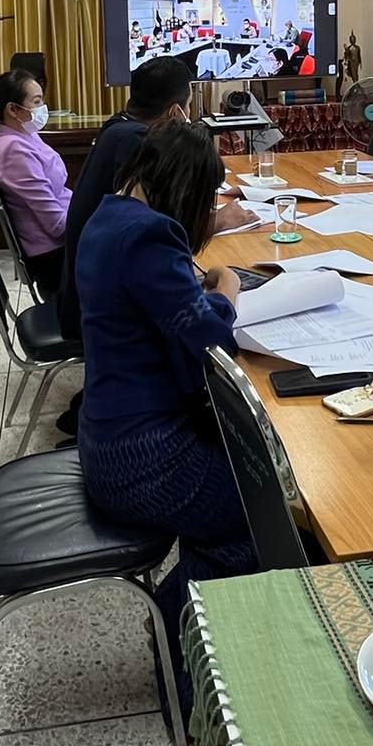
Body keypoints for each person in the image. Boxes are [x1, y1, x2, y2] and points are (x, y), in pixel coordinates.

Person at [74, 120, 256, 708]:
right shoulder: (150, 236)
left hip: (112, 434)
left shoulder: (111, 215)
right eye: (204, 202)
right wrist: (226, 291)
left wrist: (198, 291)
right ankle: (185, 650)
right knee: (262, 514)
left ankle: (183, 615)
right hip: (143, 459)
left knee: (245, 491)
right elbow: (209, 341)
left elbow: (161, 312)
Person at [59, 57, 254, 343]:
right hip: (111, 330)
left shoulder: (118, 129)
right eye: (189, 106)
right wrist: (227, 283)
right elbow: (208, 334)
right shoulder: (149, 230)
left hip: (93, 307)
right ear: (175, 112)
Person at [0, 67, 71, 296]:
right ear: (13, 109)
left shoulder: (25, 134)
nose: (43, 108)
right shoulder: (14, 151)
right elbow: (57, 226)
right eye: (37, 102)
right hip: (54, 255)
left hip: (62, 235)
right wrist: (95, 213)